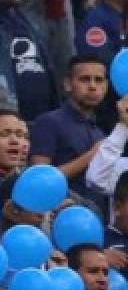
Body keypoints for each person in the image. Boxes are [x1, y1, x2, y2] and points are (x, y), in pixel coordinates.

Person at [28, 55, 108, 193]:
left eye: (99, 80)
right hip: (60, 211)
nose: (93, 86)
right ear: (67, 84)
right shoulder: (49, 122)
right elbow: (39, 181)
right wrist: (92, 155)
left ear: (106, 86)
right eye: (85, 79)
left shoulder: (99, 132)